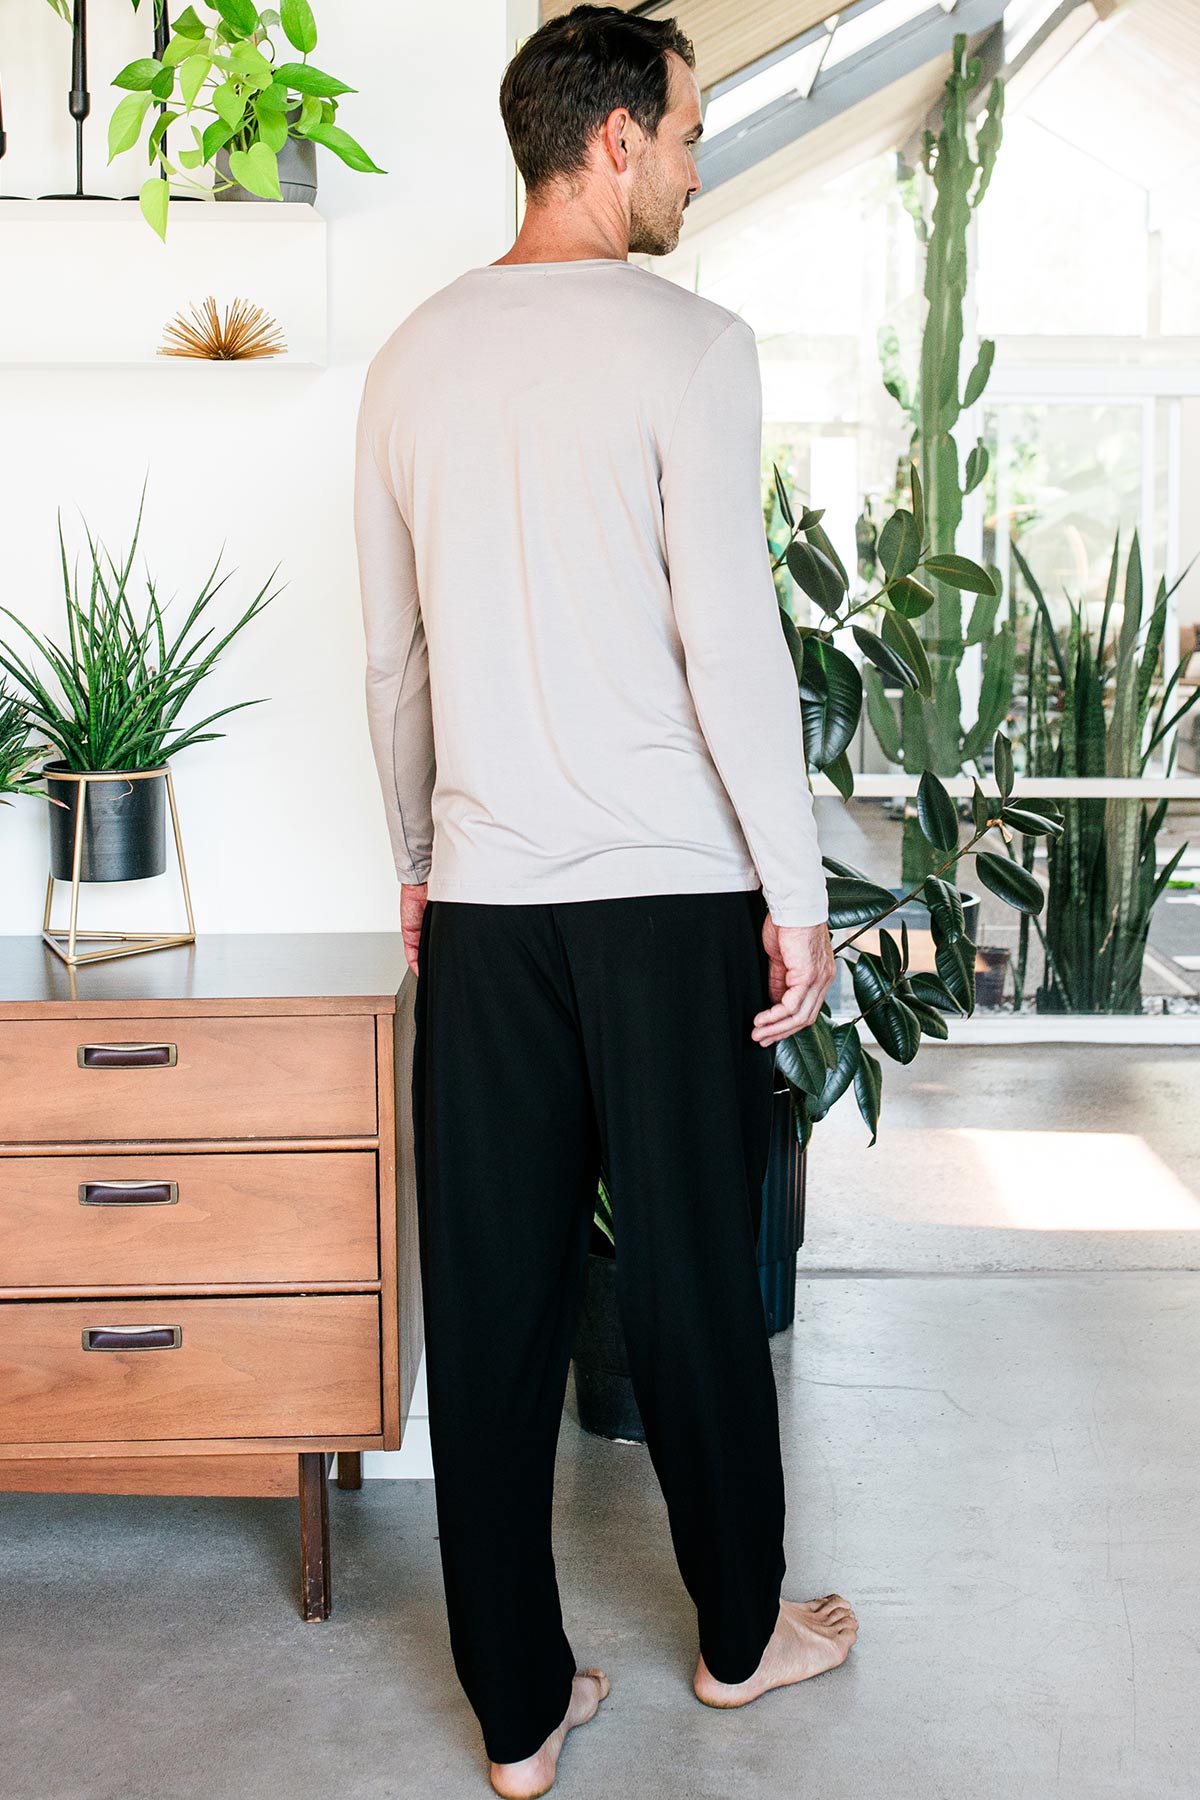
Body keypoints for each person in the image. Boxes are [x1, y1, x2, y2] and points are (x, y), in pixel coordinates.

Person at [353, 6, 857, 1794]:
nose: (700, 163)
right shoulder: (691, 347)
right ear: (616, 141)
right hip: (668, 903)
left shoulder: (410, 356)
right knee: (699, 1285)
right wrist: (792, 897)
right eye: (693, 130)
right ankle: (738, 1640)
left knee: (490, 1307)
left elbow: (393, 666)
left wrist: (419, 866)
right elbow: (734, 647)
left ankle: (516, 1715)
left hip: (489, 909)